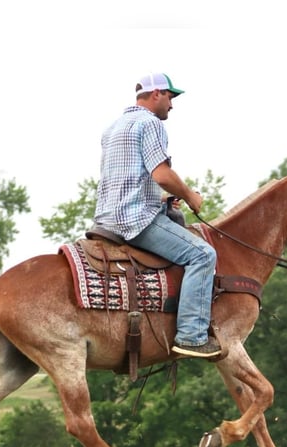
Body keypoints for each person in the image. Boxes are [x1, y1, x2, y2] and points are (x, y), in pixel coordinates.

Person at [93, 72, 221, 359]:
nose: (172, 105)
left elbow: (124, 179)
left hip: (105, 218)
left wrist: (161, 199)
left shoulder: (113, 127)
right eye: (170, 97)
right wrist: (190, 196)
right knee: (203, 254)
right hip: (134, 221)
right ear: (156, 94)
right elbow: (162, 174)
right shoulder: (150, 124)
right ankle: (191, 336)